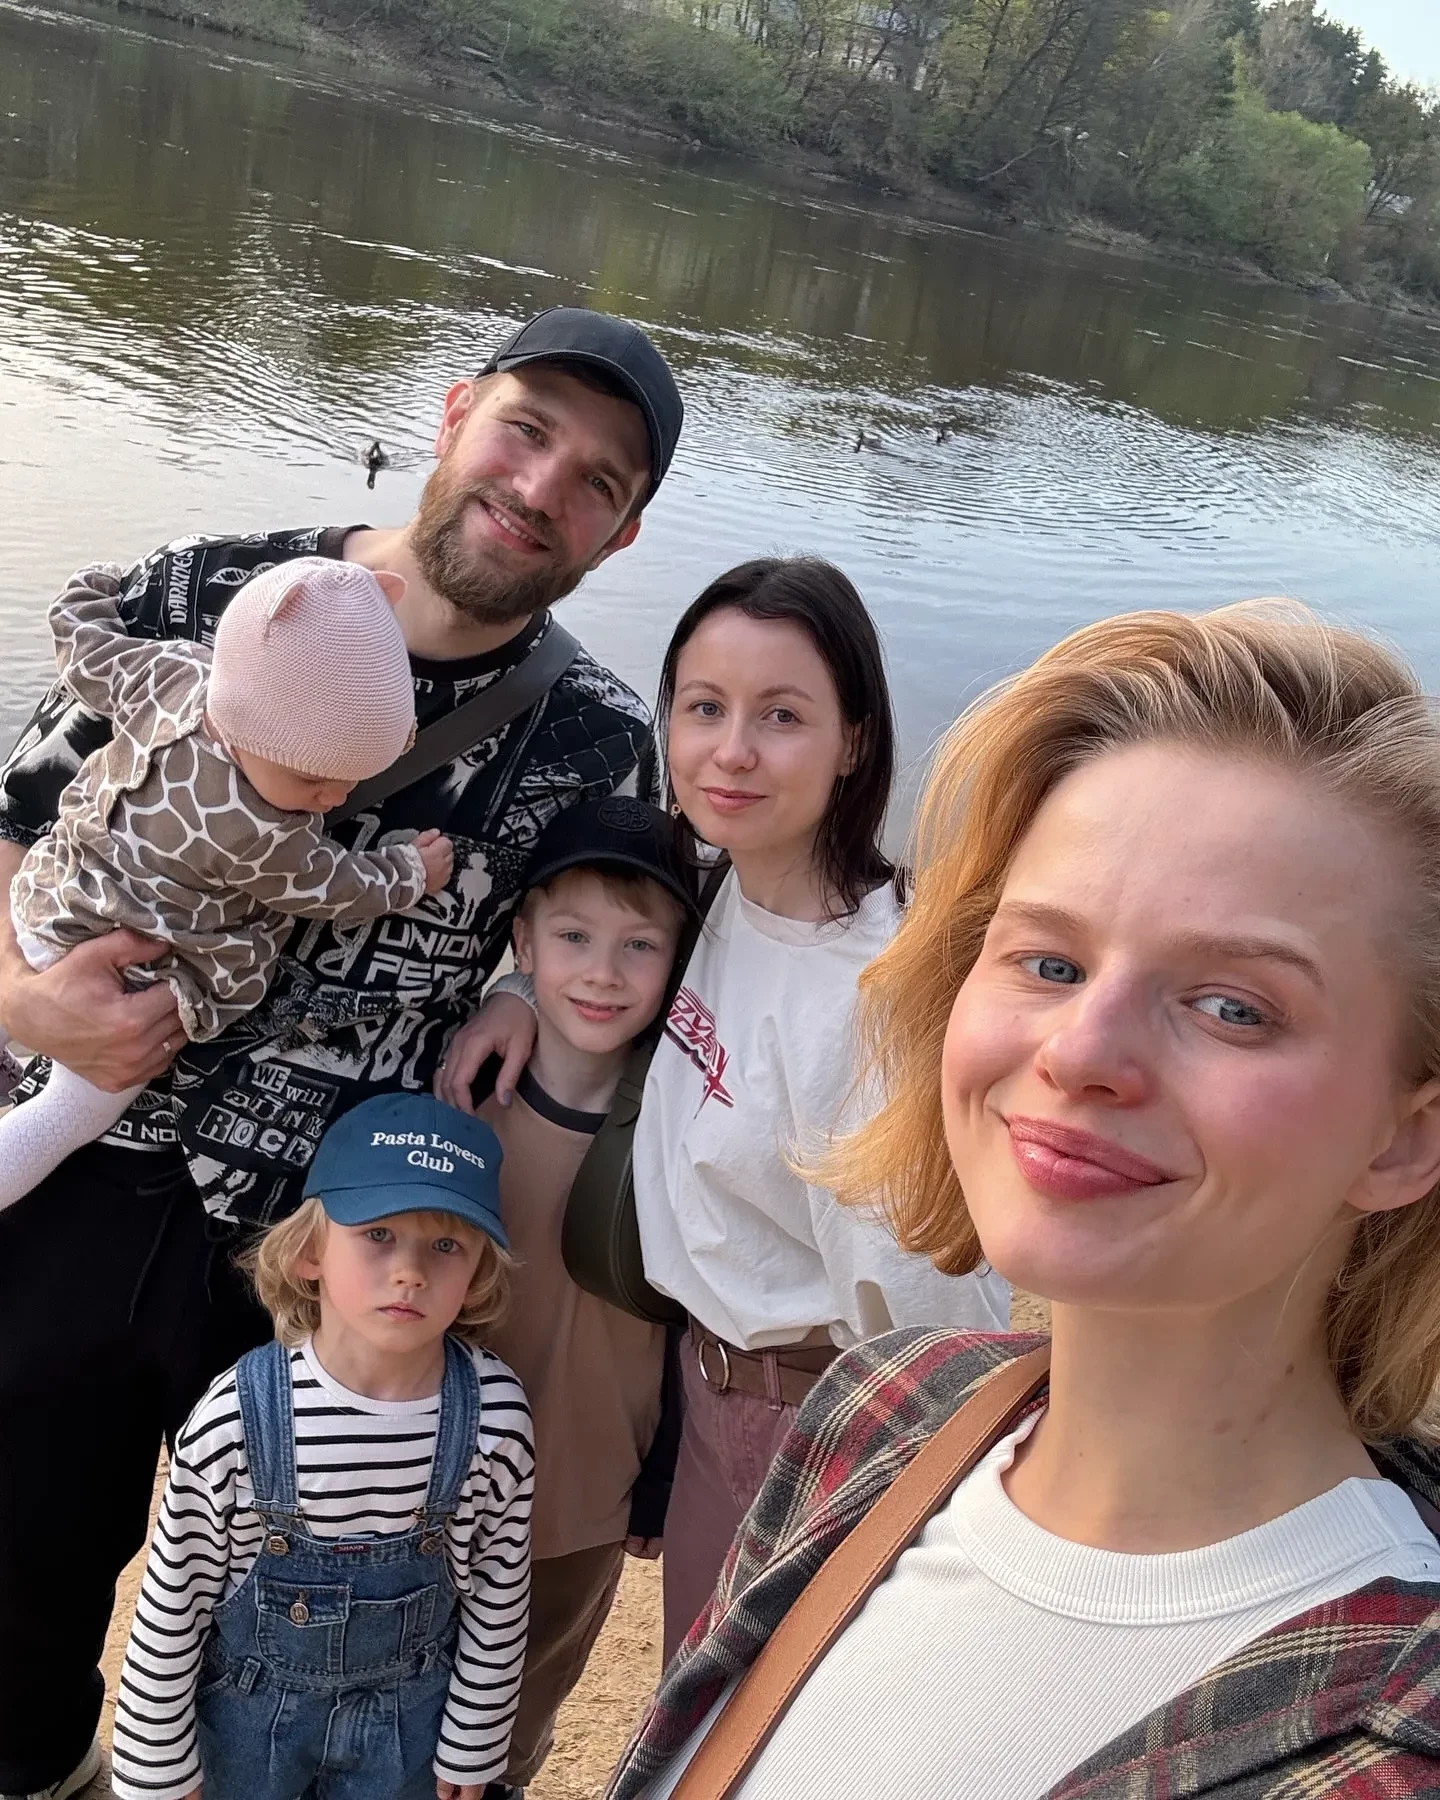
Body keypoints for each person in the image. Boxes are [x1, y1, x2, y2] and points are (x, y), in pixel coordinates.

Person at [0, 305, 680, 1800]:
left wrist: (526, 988)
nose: (541, 486)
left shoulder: (593, 740)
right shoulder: (210, 591)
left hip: (335, 1244)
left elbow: (615, 937)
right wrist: (20, 994)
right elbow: (16, 822)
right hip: (72, 1170)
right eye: (526, 430)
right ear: (452, 414)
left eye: (599, 480)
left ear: (620, 536)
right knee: (15, 1575)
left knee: (294, 1642)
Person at [609, 600, 1440, 1800]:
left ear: (1406, 1139)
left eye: (1234, 1007)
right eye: (1050, 962)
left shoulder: (1385, 1753)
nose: (1080, 1050)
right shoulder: (887, 1411)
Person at [439, 558, 1011, 1660]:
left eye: (781, 716)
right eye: (704, 708)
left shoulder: (882, 993)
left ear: (854, 741)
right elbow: (598, 946)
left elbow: (934, 1303)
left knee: (745, 1726)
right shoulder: (717, 889)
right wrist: (516, 994)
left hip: (808, 1423)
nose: (732, 751)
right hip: (700, 1395)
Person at [111, 1091, 532, 1800]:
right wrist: (156, 1771)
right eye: (378, 1233)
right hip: (250, 1732)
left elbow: (499, 1590)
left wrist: (474, 1744)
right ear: (310, 1250)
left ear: (478, 1272)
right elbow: (176, 1598)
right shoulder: (235, 1419)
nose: (410, 1272)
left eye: (446, 1245)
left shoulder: (495, 1416)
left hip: (409, 1733)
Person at [0, 557, 455, 1209]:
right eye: (313, 778)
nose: (335, 797)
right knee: (66, 1115)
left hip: (48, 904)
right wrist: (408, 871)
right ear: (245, 728)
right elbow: (336, 887)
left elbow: (89, 656)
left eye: (355, 777)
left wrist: (89, 591)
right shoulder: (261, 832)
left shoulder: (176, 673)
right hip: (133, 981)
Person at [474, 796, 698, 1795]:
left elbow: (696, 1321)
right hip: (430, 1491)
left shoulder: (687, 1125)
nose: (603, 972)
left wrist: (664, 1473)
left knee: (512, 1728)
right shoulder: (459, 1092)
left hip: (586, 1497)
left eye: (640, 945)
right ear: (523, 942)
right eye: (573, 937)